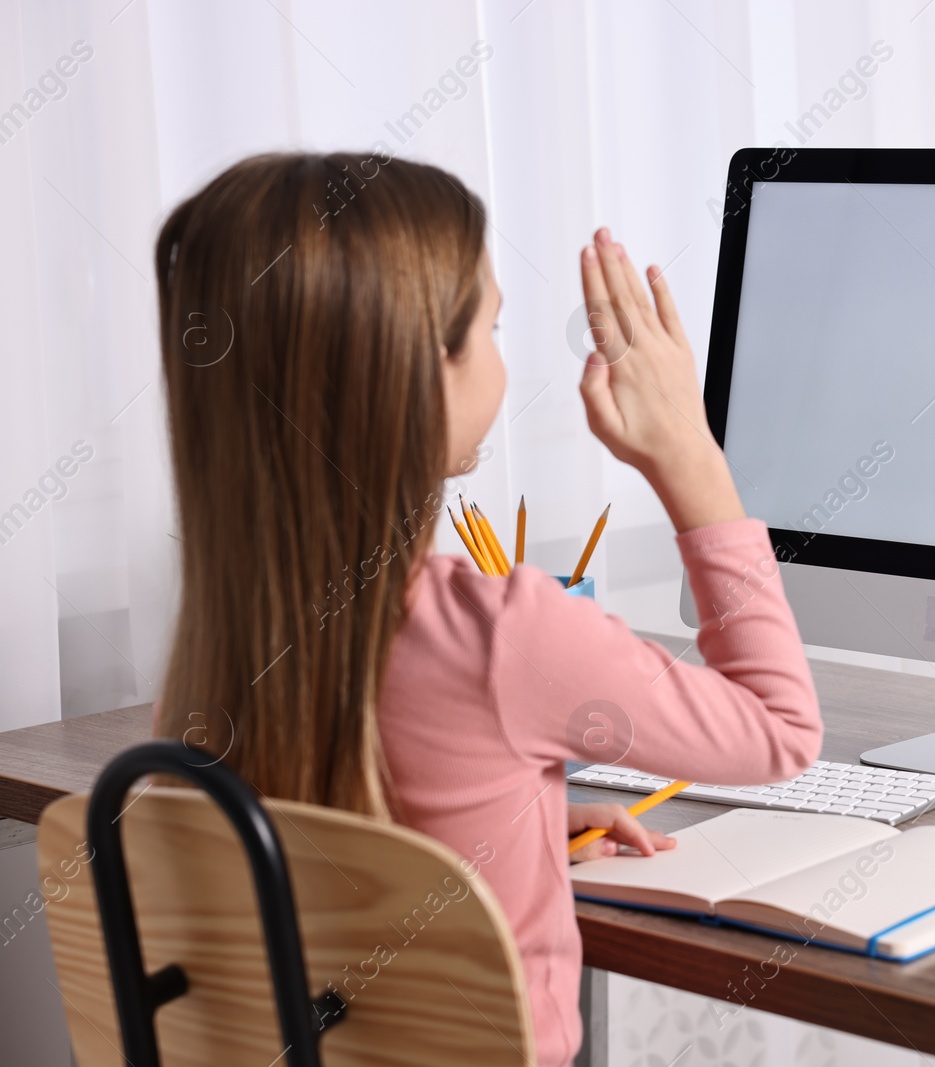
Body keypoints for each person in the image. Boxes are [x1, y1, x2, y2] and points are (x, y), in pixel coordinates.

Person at [152, 152, 821, 1066]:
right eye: (492, 326)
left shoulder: (220, 637)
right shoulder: (506, 635)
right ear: (420, 367)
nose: (504, 361)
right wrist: (692, 462)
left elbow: (336, 836)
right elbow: (781, 728)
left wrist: (505, 827)